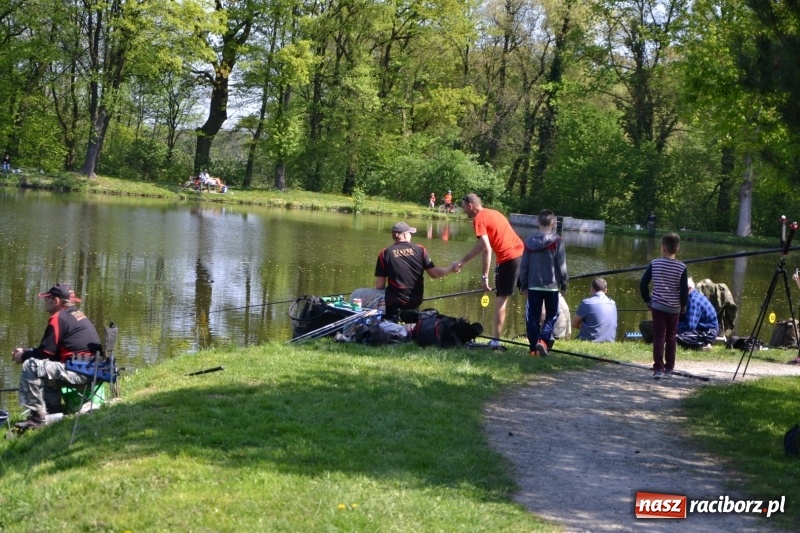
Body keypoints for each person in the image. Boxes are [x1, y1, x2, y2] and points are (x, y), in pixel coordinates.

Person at [11, 284, 101, 430]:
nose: (45, 301)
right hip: (92, 369)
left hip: (80, 373)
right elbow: (51, 352)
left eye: (47, 298)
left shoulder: (58, 318)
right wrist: (27, 351)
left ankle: (37, 418)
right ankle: (52, 411)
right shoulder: (76, 315)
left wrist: (22, 356)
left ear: (56, 301)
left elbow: (44, 354)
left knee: (31, 365)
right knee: (44, 366)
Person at [453, 194, 524, 349]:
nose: (464, 210)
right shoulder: (494, 213)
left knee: (501, 299)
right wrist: (463, 261)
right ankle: (543, 337)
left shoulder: (478, 219)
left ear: (471, 205)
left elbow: (486, 248)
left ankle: (495, 341)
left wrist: (485, 276)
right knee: (530, 294)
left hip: (507, 259)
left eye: (464, 207)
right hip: (522, 254)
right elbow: (482, 245)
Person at [375, 222, 458, 321]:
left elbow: (379, 286)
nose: (411, 235)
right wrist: (450, 267)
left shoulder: (384, 253)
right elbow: (435, 274)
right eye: (410, 233)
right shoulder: (420, 249)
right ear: (405, 235)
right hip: (415, 301)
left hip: (394, 303)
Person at [519, 209, 568, 356]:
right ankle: (543, 340)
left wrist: (523, 284)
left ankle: (533, 349)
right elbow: (561, 265)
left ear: (537, 222)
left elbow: (524, 266)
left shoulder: (529, 242)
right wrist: (564, 282)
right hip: (551, 286)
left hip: (534, 285)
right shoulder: (558, 241)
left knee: (532, 317)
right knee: (552, 314)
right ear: (554, 223)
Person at [640, 233, 688, 380]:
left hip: (658, 306)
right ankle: (669, 369)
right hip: (674, 308)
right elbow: (684, 290)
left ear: (663, 248)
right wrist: (684, 305)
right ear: (677, 248)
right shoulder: (682, 267)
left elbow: (643, 284)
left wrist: (647, 300)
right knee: (671, 336)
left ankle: (658, 369)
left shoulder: (655, 263)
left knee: (659, 336)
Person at [677, 277, 719, 350]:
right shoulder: (691, 296)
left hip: (707, 332)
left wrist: (672, 327)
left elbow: (690, 326)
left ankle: (703, 346)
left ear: (688, 289)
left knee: (676, 337)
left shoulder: (693, 301)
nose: (678, 292)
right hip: (699, 328)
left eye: (680, 289)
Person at [572, 277, 618, 342]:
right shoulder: (613, 303)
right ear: (606, 290)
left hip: (591, 341)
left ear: (592, 289)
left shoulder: (587, 303)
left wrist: (582, 325)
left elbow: (574, 323)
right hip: (610, 341)